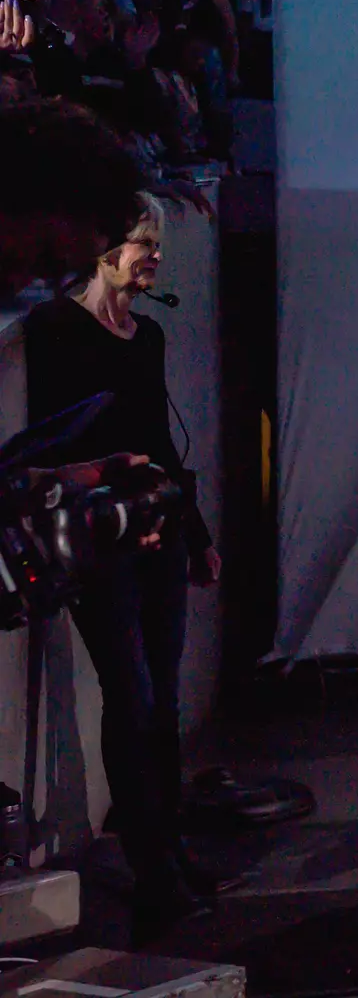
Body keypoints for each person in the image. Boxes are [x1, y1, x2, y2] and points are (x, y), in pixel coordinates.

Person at [23, 193, 224, 943]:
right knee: (132, 698)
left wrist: (196, 532)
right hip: (98, 539)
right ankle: (151, 872)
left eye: (157, 245)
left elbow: (161, 442)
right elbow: (48, 445)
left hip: (157, 530)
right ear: (105, 245)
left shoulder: (148, 336)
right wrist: (99, 473)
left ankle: (168, 847)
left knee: (160, 702)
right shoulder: (55, 329)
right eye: (145, 242)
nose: (155, 258)